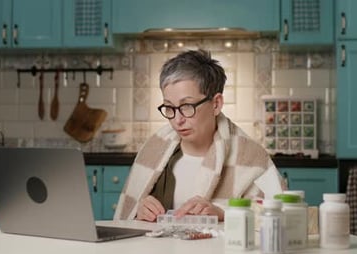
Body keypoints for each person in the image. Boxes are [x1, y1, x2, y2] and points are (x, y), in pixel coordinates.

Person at [114, 49, 284, 222]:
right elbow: (128, 219)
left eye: (187, 106)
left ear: (216, 104)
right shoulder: (154, 151)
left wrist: (224, 214)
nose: (177, 120)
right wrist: (139, 213)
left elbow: (283, 217)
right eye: (169, 107)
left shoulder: (251, 157)